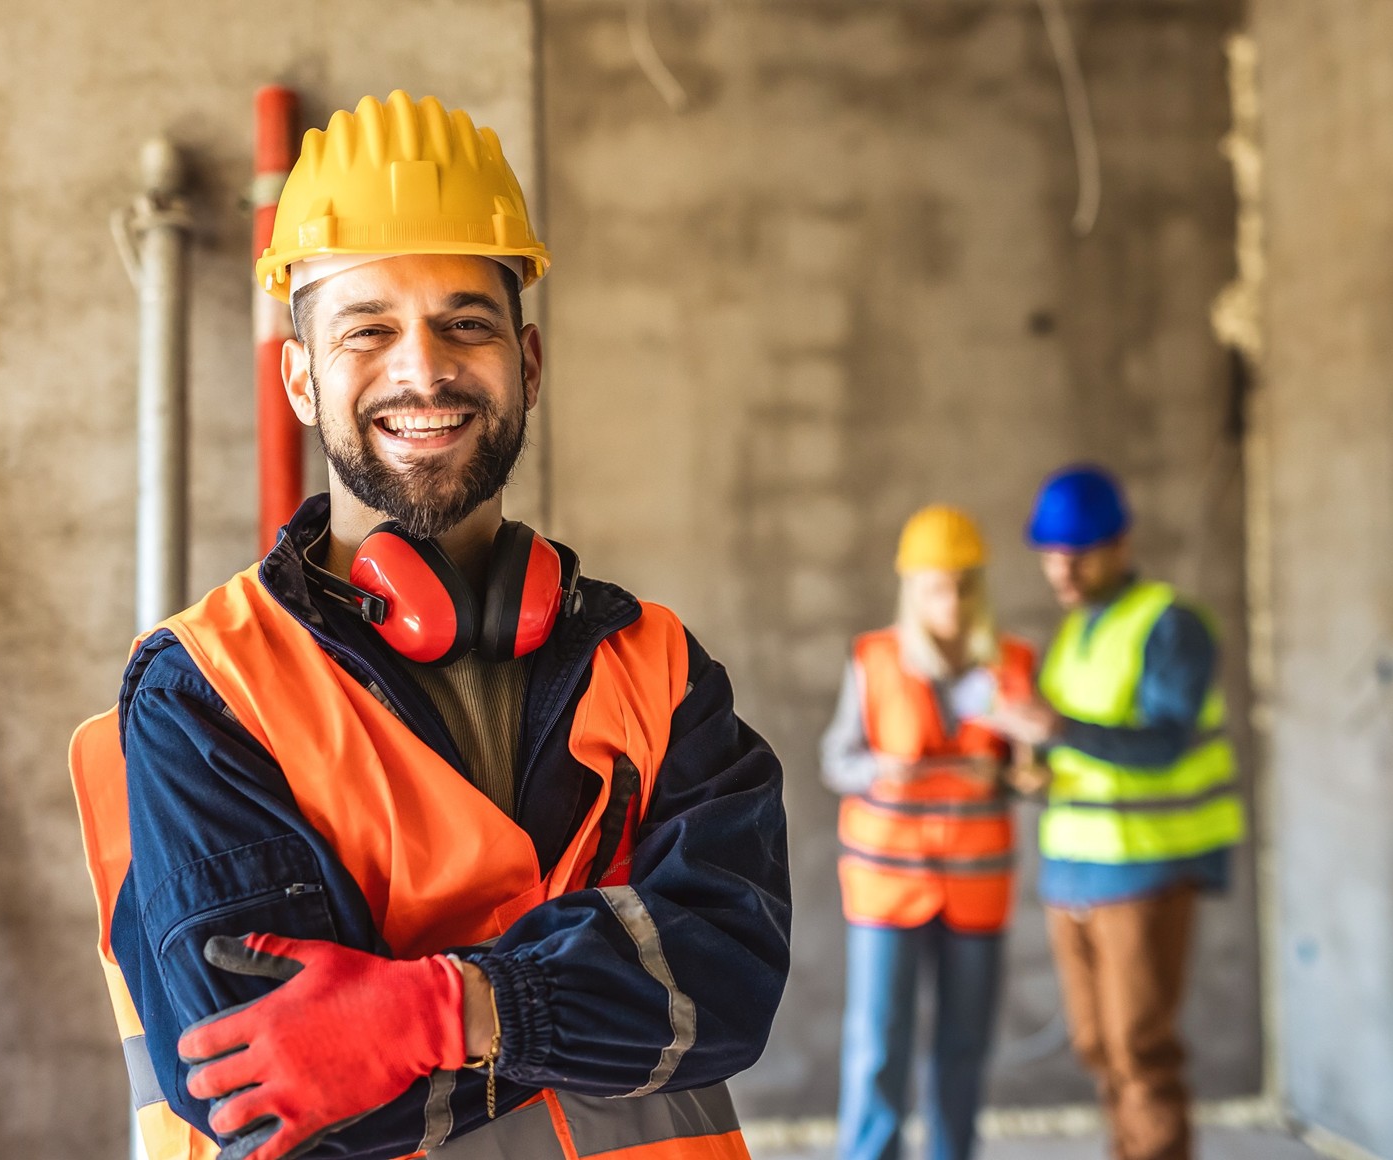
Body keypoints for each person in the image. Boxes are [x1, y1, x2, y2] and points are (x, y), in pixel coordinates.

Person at [69, 91, 791, 1160]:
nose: (423, 368)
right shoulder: (205, 687)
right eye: (369, 329)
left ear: (527, 363)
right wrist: (583, 997)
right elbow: (255, 1073)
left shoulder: (658, 668)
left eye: (465, 321)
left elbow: (725, 985)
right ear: (302, 378)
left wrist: (437, 1010)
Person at [984, 465, 1244, 1160]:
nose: (1061, 569)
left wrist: (1057, 728)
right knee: (1098, 1048)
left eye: (1078, 553)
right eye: (1049, 554)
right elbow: (1077, 747)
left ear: (1120, 544)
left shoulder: (1168, 624)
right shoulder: (1074, 633)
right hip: (1073, 873)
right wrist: (1032, 770)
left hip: (1143, 870)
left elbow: (1163, 743)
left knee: (1139, 1050)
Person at [821, 506, 1038, 1160]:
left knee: (964, 1044)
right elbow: (836, 760)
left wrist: (1003, 769)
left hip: (975, 889)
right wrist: (880, 769)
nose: (951, 599)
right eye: (936, 586)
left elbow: (1033, 773)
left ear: (980, 586)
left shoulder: (1012, 664)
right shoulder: (874, 659)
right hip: (887, 888)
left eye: (963, 584)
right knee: (878, 1043)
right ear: (911, 590)